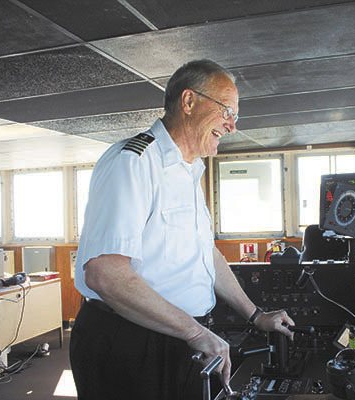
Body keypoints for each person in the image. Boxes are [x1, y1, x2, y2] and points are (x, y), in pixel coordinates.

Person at [70, 59, 295, 399]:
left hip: (176, 335)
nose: (232, 126)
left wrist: (256, 315)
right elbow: (105, 273)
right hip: (130, 341)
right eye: (226, 111)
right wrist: (194, 332)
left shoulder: (189, 172)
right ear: (189, 102)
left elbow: (206, 254)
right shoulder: (134, 161)